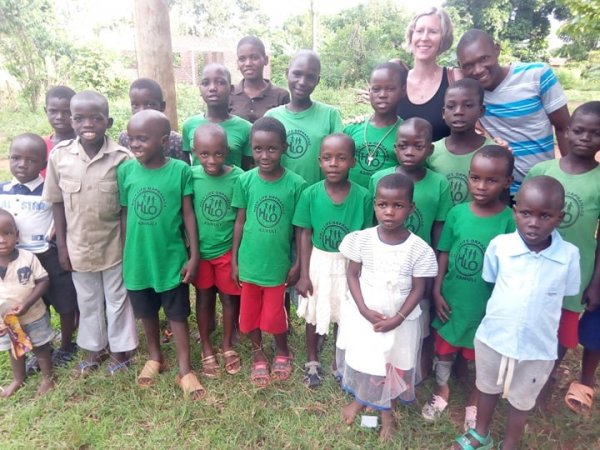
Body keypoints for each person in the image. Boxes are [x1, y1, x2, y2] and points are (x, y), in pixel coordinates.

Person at [452, 176, 580, 450]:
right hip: (494, 336)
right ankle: (481, 433)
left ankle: (510, 443)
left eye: (545, 215)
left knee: (522, 399)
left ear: (560, 217)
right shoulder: (501, 246)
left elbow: (567, 291)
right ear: (515, 211)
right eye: (526, 213)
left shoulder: (568, 256)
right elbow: (491, 278)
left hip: (538, 346)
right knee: (487, 386)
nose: (533, 222)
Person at [43, 90, 138, 377]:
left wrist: (125, 243)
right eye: (80, 118)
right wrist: (61, 248)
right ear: (72, 122)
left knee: (118, 299)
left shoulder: (122, 159)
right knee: (88, 300)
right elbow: (57, 203)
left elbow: (126, 208)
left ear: (107, 122)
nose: (88, 124)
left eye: (95, 118)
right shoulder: (60, 158)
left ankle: (121, 352)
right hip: (77, 246)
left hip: (113, 244)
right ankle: (94, 349)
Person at [338, 173, 437, 441]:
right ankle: (361, 399)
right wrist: (362, 309)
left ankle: (387, 415)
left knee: (392, 363)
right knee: (366, 357)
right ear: (374, 205)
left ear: (410, 208)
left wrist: (398, 318)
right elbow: (351, 274)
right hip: (367, 314)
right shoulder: (363, 240)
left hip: (399, 319)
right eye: (383, 205)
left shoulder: (418, 249)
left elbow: (419, 288)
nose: (389, 212)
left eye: (398, 206)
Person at [424, 145, 516, 432]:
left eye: (491, 180)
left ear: (507, 183)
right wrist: (437, 290)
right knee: (445, 348)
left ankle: (475, 402)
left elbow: (511, 268)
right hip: (452, 299)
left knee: (480, 357)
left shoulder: (510, 220)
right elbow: (445, 253)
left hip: (486, 305)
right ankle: (442, 390)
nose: (481, 186)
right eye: (475, 178)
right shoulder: (457, 213)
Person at [118, 109, 204, 399]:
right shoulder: (126, 171)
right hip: (138, 259)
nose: (135, 144)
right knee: (146, 311)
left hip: (170, 258)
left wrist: (194, 255)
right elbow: (125, 215)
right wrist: (124, 252)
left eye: (142, 139)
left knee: (177, 314)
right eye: (132, 139)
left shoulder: (180, 171)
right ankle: (155, 357)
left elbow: (189, 215)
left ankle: (185, 369)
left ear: (164, 141)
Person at [526, 101, 600, 414]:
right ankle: (524, 376)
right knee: (532, 322)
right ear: (566, 132)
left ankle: (546, 379)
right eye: (579, 130)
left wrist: (596, 281)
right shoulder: (542, 171)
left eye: (595, 133)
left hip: (575, 274)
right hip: (534, 270)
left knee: (559, 332)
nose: (585, 138)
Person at [369, 118, 453, 379]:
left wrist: (435, 276)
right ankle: (379, 365)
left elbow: (439, 232)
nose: (409, 152)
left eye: (418, 146)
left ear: (429, 150)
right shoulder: (379, 178)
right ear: (395, 147)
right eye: (403, 146)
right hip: (385, 264)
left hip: (419, 267)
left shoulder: (439, 184)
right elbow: (371, 226)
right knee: (385, 311)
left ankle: (419, 364)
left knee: (420, 317)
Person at [231, 117, 306, 388]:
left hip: (277, 265)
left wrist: (297, 264)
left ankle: (282, 350)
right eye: (258, 149)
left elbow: (300, 229)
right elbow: (239, 221)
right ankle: (257, 352)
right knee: (250, 312)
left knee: (276, 312)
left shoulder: (297, 184)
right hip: (250, 263)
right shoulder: (245, 180)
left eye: (272, 149)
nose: (264, 155)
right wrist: (235, 260)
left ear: (284, 147)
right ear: (251, 148)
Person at [293, 133, 372, 388]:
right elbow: (304, 233)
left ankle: (339, 361)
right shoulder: (310, 194)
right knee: (313, 311)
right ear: (319, 162)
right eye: (327, 158)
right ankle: (313, 359)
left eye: (341, 158)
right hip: (319, 262)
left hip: (350, 264)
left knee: (344, 312)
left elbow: (367, 238)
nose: (334, 163)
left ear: (353, 162)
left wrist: (362, 272)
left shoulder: (363, 197)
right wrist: (304, 274)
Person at [456, 28, 570, 196]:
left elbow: (564, 128)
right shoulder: (470, 95)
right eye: (468, 65)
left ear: (497, 49)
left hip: (541, 190)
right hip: (497, 194)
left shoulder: (537, 75)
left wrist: (569, 178)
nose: (478, 70)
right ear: (460, 67)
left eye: (483, 59)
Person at [0, 133, 79, 368]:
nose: (22, 164)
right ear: (8, 159)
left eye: (30, 160)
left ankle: (66, 345)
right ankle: (40, 347)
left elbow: (60, 220)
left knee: (65, 303)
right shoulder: (3, 189)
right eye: (16, 158)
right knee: (30, 305)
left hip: (48, 256)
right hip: (17, 261)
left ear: (43, 165)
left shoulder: (49, 190)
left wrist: (63, 249)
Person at [191, 123, 244, 378]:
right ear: (194, 152)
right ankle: (206, 347)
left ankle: (226, 344)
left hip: (226, 251)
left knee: (229, 298)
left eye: (218, 154)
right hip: (201, 254)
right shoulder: (190, 176)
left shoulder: (239, 177)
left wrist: (235, 257)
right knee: (203, 299)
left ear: (228, 151)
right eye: (204, 154)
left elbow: (240, 220)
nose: (211, 161)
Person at [265, 50, 343, 185]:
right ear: (286, 73)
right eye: (297, 74)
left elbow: (342, 157)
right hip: (281, 198)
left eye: (310, 77)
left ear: (317, 81)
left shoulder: (330, 116)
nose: (302, 82)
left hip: (316, 199)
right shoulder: (272, 117)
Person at [0, 209, 54, 397]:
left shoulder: (27, 258)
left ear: (17, 234)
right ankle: (18, 378)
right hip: (6, 322)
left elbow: (43, 281)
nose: (2, 240)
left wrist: (28, 303)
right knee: (15, 350)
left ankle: (48, 378)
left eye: (7, 233)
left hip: (33, 315)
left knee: (41, 347)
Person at [397, 7, 461, 142]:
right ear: (411, 36)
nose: (424, 38)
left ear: (443, 39)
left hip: (443, 163)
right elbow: (380, 122)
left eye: (433, 32)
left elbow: (474, 125)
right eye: (419, 31)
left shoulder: (454, 79)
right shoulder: (397, 80)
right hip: (399, 163)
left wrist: (493, 141)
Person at [427, 78, 494, 205]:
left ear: (481, 111)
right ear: (443, 112)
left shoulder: (494, 153)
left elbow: (502, 202)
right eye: (451, 106)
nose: (458, 112)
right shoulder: (431, 151)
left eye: (468, 105)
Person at [344, 62, 407, 188]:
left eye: (390, 89)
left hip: (387, 206)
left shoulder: (407, 133)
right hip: (353, 204)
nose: (382, 95)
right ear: (369, 92)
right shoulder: (353, 129)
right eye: (376, 89)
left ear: (403, 91)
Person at [182, 64, 253, 169]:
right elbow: (186, 168)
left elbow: (247, 171)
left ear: (232, 89)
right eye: (205, 83)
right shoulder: (189, 125)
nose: (212, 88)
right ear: (200, 89)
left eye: (220, 82)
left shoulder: (246, 128)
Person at [118, 78, 190, 165]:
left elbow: (184, 172)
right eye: (135, 105)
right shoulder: (125, 138)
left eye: (150, 104)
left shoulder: (175, 141)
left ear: (162, 106)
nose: (141, 111)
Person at [230, 36, 290, 123]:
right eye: (242, 59)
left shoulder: (280, 96)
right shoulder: (229, 94)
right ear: (237, 63)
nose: (248, 64)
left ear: (265, 60)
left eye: (254, 58)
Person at [42, 86, 77, 178]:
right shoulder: (40, 146)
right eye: (53, 111)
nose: (59, 117)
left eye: (66, 112)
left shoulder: (85, 144)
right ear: (46, 111)